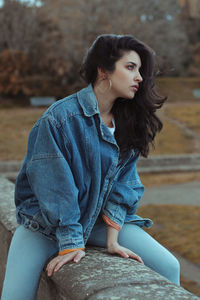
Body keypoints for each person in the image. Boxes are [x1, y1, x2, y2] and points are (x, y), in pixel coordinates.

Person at [1, 34, 180, 300]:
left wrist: (112, 239)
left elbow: (124, 186)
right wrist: (71, 243)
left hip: (97, 221)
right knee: (14, 296)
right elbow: (54, 189)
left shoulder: (127, 122)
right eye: (130, 67)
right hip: (46, 227)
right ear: (103, 70)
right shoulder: (58, 120)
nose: (139, 77)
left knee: (169, 266)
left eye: (140, 69)